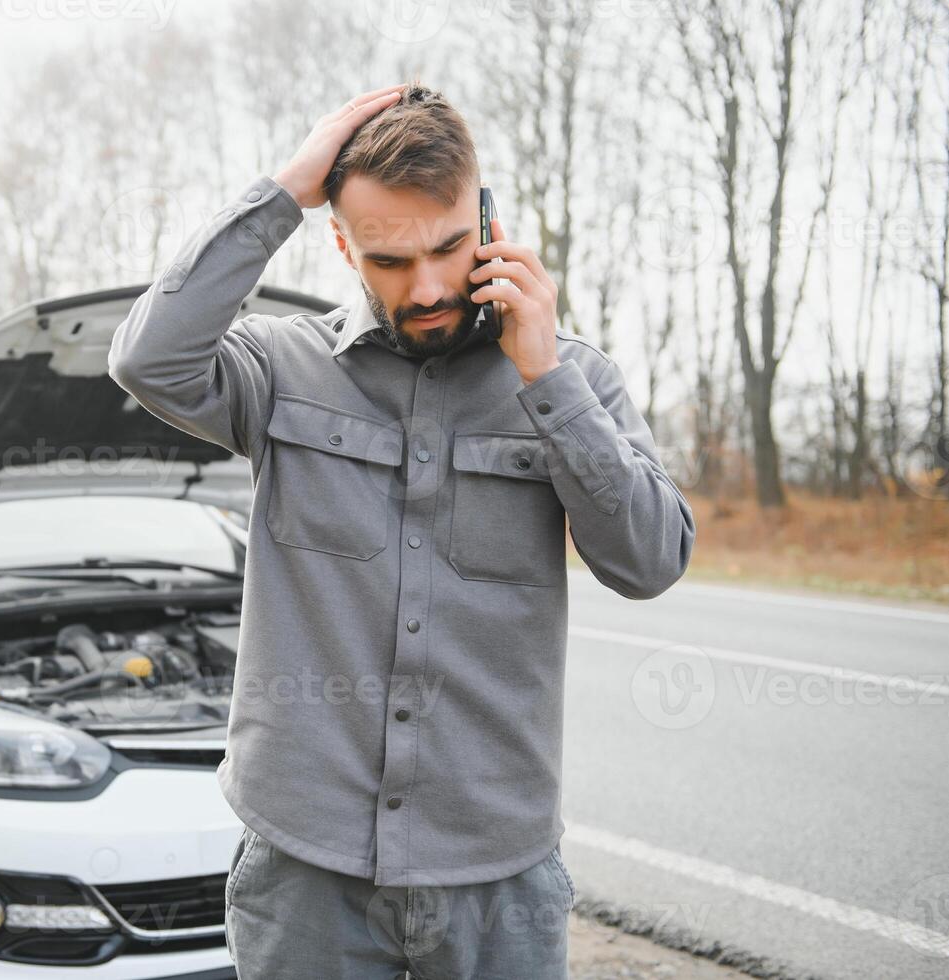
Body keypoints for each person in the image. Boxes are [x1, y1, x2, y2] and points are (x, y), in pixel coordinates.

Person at [107, 81, 696, 979]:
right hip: (304, 871)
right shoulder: (278, 368)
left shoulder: (574, 379)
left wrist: (546, 381)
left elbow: (650, 560)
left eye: (449, 247)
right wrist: (282, 195)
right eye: (387, 259)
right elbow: (150, 359)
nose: (426, 286)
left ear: (487, 221)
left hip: (497, 881)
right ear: (340, 243)